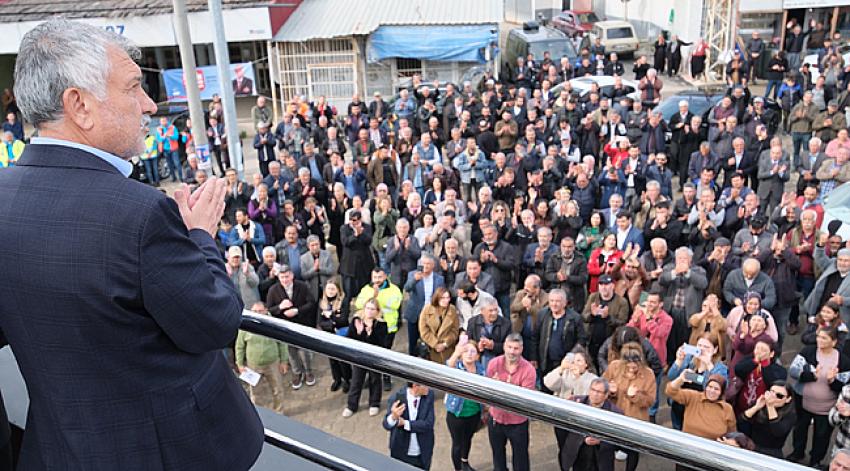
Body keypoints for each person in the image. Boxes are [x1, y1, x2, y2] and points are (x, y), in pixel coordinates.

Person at [0, 20, 263, 468]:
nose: (149, 104)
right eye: (134, 87)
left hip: (61, 449)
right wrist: (199, 236)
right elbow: (214, 323)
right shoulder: (138, 214)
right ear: (79, 105)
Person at [789, 327, 850, 467]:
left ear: (833, 342)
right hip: (803, 403)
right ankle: (797, 453)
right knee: (799, 430)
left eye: (824, 338)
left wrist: (832, 381)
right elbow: (793, 371)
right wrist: (811, 375)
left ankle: (815, 460)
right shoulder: (808, 352)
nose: (819, 340)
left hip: (826, 409)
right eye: (818, 336)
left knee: (821, 436)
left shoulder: (843, 361)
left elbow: (845, 388)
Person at [602, 342, 656, 471]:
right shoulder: (614, 367)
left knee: (632, 452)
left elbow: (650, 401)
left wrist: (635, 396)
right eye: (628, 364)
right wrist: (610, 391)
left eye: (635, 364)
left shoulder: (648, 374)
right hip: (614, 418)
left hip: (635, 421)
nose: (632, 367)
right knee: (607, 448)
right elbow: (601, 388)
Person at [486, 333, 536, 471]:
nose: (512, 352)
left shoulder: (529, 370)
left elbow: (523, 400)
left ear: (521, 349)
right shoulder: (493, 364)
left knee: (521, 461)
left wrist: (499, 388)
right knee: (497, 457)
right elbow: (488, 392)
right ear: (504, 346)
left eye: (516, 348)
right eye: (509, 347)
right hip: (496, 419)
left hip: (517, 423)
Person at [266, 264, 318, 390]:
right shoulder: (273, 290)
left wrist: (297, 310)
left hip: (301, 323)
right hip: (285, 327)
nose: (285, 280)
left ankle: (308, 371)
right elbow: (270, 309)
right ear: (278, 277)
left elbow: (311, 302)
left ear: (292, 276)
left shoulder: (302, 286)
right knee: (291, 351)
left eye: (287, 277)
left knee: (304, 350)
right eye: (282, 277)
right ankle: (297, 372)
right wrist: (280, 307)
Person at [235, 302, 289, 414]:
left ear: (266, 310)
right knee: (255, 392)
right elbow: (239, 346)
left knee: (277, 389)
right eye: (255, 311)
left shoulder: (273, 324)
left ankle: (280, 412)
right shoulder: (246, 325)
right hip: (253, 365)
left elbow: (282, 343)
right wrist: (239, 364)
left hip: (273, 363)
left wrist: (284, 361)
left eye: (260, 311)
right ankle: (258, 413)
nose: (258, 313)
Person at [560, 377, 624, 471]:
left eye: (599, 392)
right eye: (593, 390)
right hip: (578, 455)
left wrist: (602, 441)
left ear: (606, 395)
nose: (595, 394)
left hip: (600, 459)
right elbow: (562, 428)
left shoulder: (615, 413)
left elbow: (620, 441)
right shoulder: (576, 404)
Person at [344, 299, 389, 418]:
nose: (369, 311)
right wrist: (359, 333)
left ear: (377, 311)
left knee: (375, 379)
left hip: (374, 357)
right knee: (356, 380)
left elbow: (382, 344)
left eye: (372, 309)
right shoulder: (356, 321)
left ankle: (374, 403)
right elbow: (349, 339)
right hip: (359, 356)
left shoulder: (381, 325)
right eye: (367, 308)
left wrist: (370, 333)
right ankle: (351, 405)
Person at [444, 342, 485, 471]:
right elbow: (447, 367)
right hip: (457, 414)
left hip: (474, 413)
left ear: (478, 356)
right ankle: (458, 469)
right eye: (466, 351)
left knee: (468, 438)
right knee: (457, 443)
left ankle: (465, 462)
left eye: (472, 351)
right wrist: (456, 352)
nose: (469, 354)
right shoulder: (456, 367)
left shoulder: (481, 370)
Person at [665, 371, 736, 441]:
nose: (712, 391)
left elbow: (731, 435)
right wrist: (681, 379)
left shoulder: (727, 409)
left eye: (716, 389)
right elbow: (670, 391)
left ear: (721, 392)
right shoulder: (694, 397)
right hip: (687, 444)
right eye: (710, 387)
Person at [383, 382, 436, 470]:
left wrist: (405, 423)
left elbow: (428, 424)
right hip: (401, 453)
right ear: (415, 386)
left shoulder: (429, 395)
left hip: (423, 452)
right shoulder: (397, 397)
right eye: (426, 384)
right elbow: (386, 424)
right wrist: (393, 417)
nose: (429, 387)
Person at [741, 380, 795, 458]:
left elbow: (778, 432)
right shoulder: (761, 404)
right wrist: (756, 407)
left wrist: (770, 406)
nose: (773, 397)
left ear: (788, 399)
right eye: (771, 392)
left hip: (771, 452)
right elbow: (741, 421)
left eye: (779, 395)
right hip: (750, 445)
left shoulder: (790, 414)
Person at [317, 278, 351, 393]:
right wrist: (332, 324)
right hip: (329, 335)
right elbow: (320, 322)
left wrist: (330, 315)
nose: (330, 291)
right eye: (328, 289)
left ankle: (347, 379)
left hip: (341, 335)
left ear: (338, 289)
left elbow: (344, 319)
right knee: (332, 360)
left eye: (333, 289)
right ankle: (337, 379)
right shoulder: (322, 302)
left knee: (343, 359)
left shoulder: (344, 301)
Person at [418, 287, 460, 364]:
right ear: (437, 298)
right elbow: (423, 330)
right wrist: (435, 344)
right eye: (443, 298)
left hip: (447, 349)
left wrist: (445, 344)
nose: (446, 300)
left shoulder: (452, 309)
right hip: (431, 349)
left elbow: (455, 330)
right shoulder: (427, 309)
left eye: (448, 297)